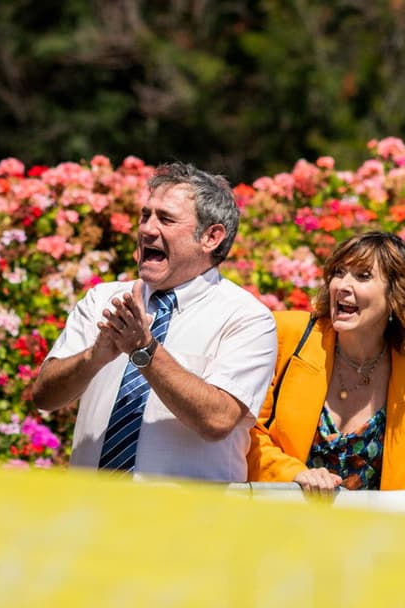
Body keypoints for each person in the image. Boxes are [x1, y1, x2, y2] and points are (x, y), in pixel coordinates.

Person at [30, 162, 277, 481]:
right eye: (145, 215)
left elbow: (218, 420)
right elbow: (45, 397)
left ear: (211, 237)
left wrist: (145, 351)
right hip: (90, 516)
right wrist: (94, 358)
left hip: (183, 525)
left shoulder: (247, 318)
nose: (147, 229)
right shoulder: (102, 300)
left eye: (166, 219)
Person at [249, 232, 405, 494]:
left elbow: (400, 459)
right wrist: (295, 475)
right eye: (339, 272)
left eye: (362, 276)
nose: (342, 285)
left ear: (396, 293)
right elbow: (247, 434)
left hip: (366, 532)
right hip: (278, 524)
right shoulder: (287, 335)